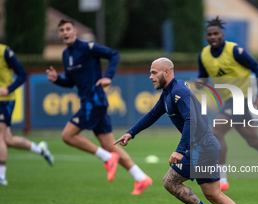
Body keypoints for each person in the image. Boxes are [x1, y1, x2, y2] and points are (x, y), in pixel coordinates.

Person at [115, 57, 258, 204]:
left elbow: (192, 120)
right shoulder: (168, 93)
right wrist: (131, 133)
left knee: (170, 182)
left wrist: (180, 150)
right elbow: (152, 115)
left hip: (203, 148)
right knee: (213, 194)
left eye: (154, 72)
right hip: (205, 146)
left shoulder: (179, 91)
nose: (150, 76)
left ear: (167, 71)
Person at [46, 19, 152, 195]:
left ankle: (107, 157)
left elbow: (114, 55)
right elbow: (71, 81)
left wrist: (108, 76)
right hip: (91, 103)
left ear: (74, 31)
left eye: (67, 29)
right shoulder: (66, 55)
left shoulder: (88, 47)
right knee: (110, 145)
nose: (64, 32)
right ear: (59, 34)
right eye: (61, 30)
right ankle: (141, 177)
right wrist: (57, 79)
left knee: (67, 135)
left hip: (94, 101)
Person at [197, 17, 258, 193]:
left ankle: (222, 180)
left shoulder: (235, 51)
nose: (212, 37)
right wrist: (200, 82)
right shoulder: (203, 55)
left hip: (240, 98)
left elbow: (257, 68)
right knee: (254, 141)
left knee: (216, 132)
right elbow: (203, 76)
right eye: (209, 34)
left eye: (216, 33)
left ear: (222, 35)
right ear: (206, 36)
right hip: (229, 101)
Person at [0, 44, 54, 185]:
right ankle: (40, 149)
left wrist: (8, 89)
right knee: (7, 140)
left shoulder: (4, 51)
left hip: (4, 101)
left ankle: (1, 176)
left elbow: (22, 74)